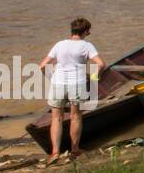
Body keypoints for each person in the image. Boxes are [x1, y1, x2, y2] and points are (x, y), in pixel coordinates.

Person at [38, 18, 104, 163]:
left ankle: (55, 152)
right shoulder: (87, 46)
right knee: (76, 117)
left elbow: (42, 66)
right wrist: (93, 78)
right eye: (89, 31)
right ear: (85, 31)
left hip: (58, 83)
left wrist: (52, 78)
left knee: (56, 118)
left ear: (72, 30)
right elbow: (101, 64)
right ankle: (75, 149)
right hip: (77, 83)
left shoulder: (59, 44)